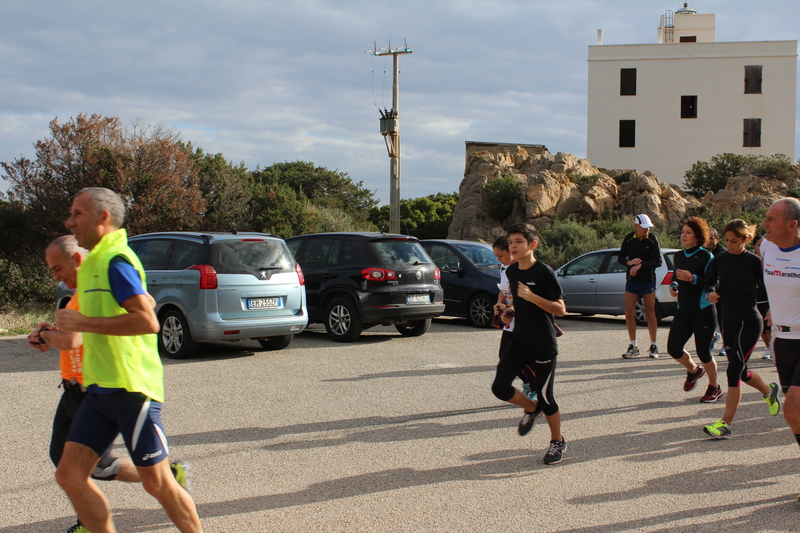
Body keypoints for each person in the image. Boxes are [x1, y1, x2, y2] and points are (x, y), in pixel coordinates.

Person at [54, 188, 202, 533]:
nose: (69, 221)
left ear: (102, 217)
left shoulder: (115, 260)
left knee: (158, 483)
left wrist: (84, 323)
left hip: (130, 388)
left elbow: (148, 322)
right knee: (69, 474)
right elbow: (142, 301)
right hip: (100, 389)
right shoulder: (93, 261)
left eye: (77, 213)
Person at [490, 223, 568, 465]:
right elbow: (518, 304)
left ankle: (558, 441)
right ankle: (532, 409)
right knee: (500, 387)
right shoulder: (512, 272)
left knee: (548, 398)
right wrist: (509, 311)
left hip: (543, 344)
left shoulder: (544, 273)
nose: (512, 246)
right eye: (511, 241)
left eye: (518, 242)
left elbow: (561, 309)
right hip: (519, 339)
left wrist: (533, 296)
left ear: (532, 245)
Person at [702, 219, 780, 440]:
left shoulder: (754, 262)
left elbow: (769, 287)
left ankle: (725, 424)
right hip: (727, 319)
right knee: (741, 370)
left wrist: (773, 308)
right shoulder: (720, 259)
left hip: (749, 321)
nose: (729, 244)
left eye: (734, 241)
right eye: (726, 240)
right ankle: (768, 391)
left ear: (746, 239)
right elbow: (709, 283)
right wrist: (710, 293)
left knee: (733, 369)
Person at [760, 197, 800, 502]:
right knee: (796, 415)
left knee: (792, 408)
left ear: (792, 224)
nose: (765, 223)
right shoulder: (765, 247)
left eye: (772, 219)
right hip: (781, 341)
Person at [665, 217, 722, 402]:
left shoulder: (706, 256)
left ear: (698, 236)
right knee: (673, 349)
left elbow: (712, 283)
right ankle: (694, 370)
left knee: (704, 352)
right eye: (682, 231)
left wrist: (692, 279)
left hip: (703, 311)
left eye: (688, 232)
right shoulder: (679, 256)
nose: (684, 235)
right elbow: (675, 277)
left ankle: (715, 386)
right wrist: (674, 286)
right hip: (683, 310)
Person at [492, 235, 536, 403]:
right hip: (510, 320)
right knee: (504, 356)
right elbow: (503, 290)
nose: (499, 259)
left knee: (523, 358)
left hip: (525, 321)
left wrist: (510, 308)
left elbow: (524, 297)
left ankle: (536, 388)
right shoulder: (504, 269)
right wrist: (499, 303)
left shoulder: (522, 269)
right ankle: (528, 383)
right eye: (496, 256)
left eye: (501, 255)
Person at [618, 214, 662, 358]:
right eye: (644, 227)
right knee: (629, 312)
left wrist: (641, 265)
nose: (647, 229)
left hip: (648, 281)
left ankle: (654, 345)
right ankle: (633, 346)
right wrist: (629, 263)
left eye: (648, 227)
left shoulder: (653, 239)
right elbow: (620, 258)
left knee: (650, 313)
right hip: (631, 281)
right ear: (637, 226)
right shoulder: (629, 238)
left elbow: (658, 262)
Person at [707, 227, 726, 356]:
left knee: (722, 319)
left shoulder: (722, 253)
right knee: (709, 318)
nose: (709, 241)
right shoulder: (703, 252)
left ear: (717, 239)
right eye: (706, 238)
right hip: (708, 290)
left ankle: (726, 344)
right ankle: (713, 336)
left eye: (711, 238)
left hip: (721, 290)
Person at [753, 235, 772, 360]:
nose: (761, 247)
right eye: (759, 244)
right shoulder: (752, 261)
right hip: (755, 298)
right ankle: (769, 347)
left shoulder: (772, 261)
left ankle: (773, 348)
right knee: (761, 328)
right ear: (754, 247)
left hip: (769, 298)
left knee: (769, 325)